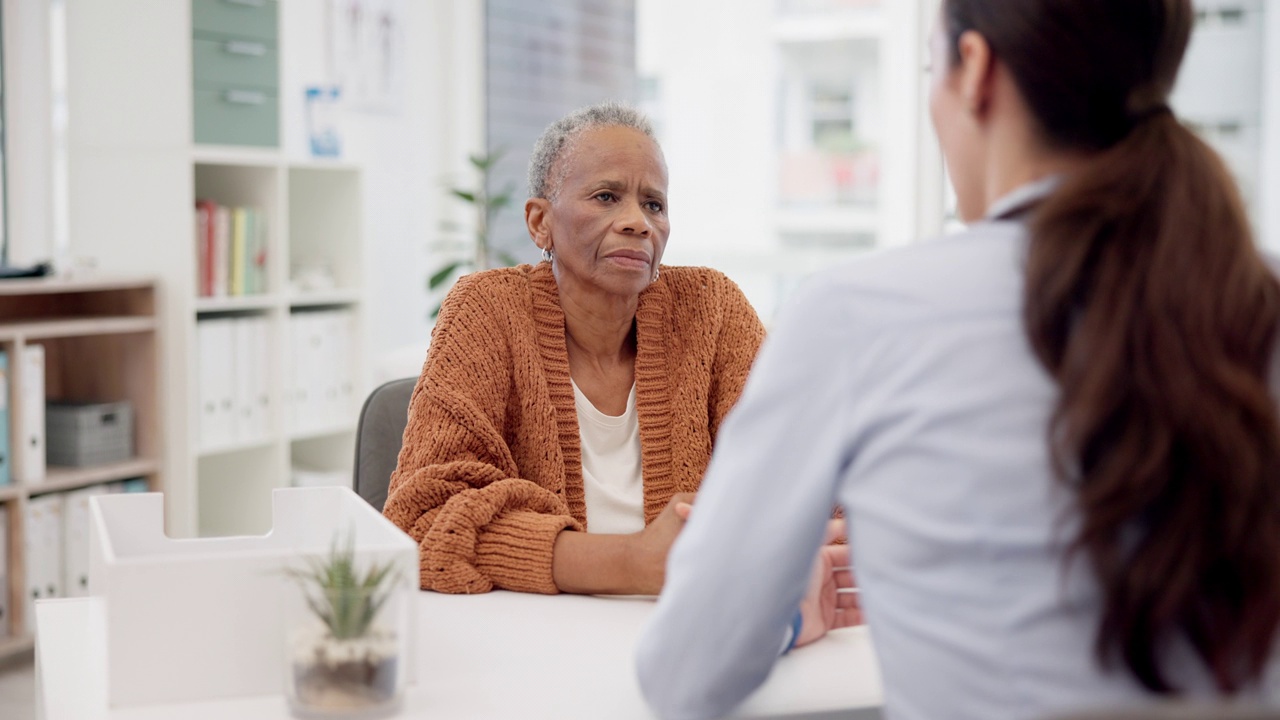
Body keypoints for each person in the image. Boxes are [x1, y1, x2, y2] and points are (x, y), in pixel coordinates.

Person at [636, 1, 1280, 718]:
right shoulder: (1258, 301)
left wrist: (786, 610)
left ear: (974, 70)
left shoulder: (856, 316)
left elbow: (683, 675)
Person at [382, 102, 766, 596]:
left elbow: (805, 477)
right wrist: (629, 562)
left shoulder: (713, 311)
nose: (637, 222)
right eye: (607, 196)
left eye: (654, 204)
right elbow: (420, 519)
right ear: (540, 221)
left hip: (692, 626)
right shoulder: (486, 312)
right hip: (533, 638)